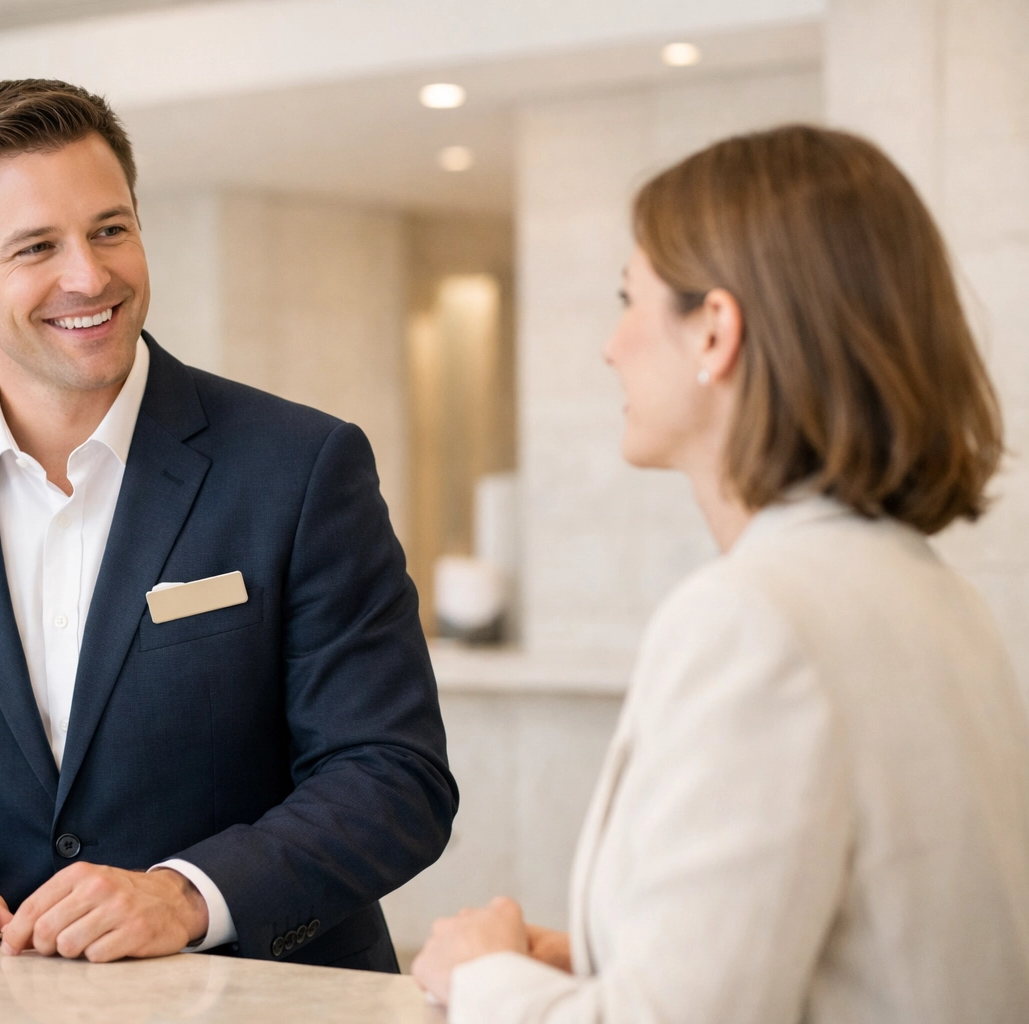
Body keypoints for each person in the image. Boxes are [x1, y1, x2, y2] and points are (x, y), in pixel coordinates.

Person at [0, 79, 456, 972]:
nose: (89, 276)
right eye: (37, 246)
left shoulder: (303, 466)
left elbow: (394, 779)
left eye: (110, 229)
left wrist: (186, 895)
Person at [413, 124, 1029, 1021]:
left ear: (714, 330)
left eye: (631, 300)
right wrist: (603, 956)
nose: (611, 346)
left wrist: (481, 972)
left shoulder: (756, 619)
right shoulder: (938, 596)